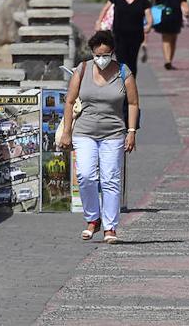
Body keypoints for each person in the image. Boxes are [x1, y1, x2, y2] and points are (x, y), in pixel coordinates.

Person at [57, 30, 139, 245]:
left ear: (112, 52)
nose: (101, 59)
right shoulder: (83, 70)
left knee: (110, 179)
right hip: (84, 132)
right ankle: (93, 218)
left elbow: (132, 103)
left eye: (105, 55)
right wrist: (67, 131)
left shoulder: (123, 72)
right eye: (97, 55)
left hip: (113, 133)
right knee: (85, 175)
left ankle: (110, 227)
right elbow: (69, 101)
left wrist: (131, 132)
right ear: (92, 53)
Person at [100, 0, 153, 76]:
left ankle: (131, 85)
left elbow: (149, 16)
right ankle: (123, 85)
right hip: (119, 35)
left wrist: (149, 25)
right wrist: (99, 21)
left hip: (136, 35)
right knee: (121, 60)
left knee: (132, 62)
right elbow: (105, 8)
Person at [152, 0, 189, 70]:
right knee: (166, 37)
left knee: (173, 38)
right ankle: (167, 61)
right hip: (163, 13)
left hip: (176, 14)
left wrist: (185, 8)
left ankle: (170, 60)